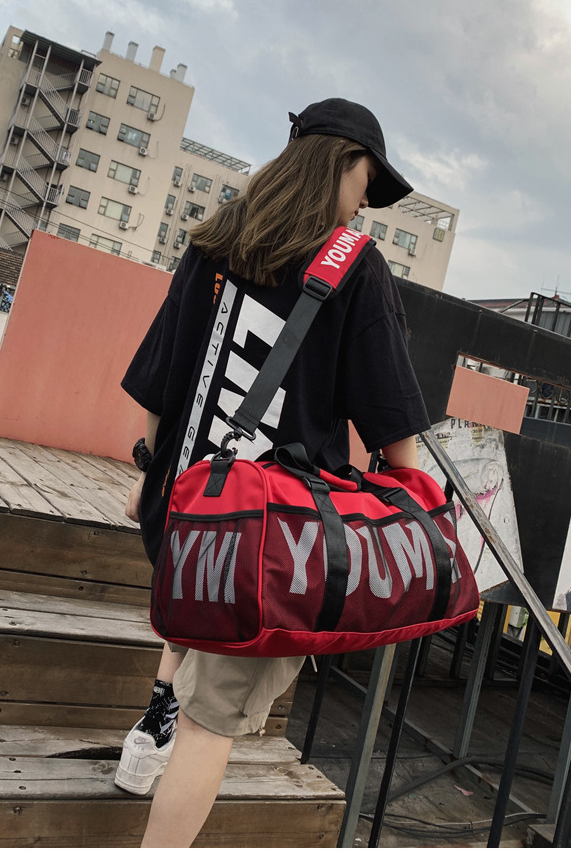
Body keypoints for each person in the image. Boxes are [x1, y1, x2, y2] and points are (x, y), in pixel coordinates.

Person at [117, 98, 432, 847]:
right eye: (366, 182)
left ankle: (153, 720)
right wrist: (414, 498)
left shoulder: (218, 237)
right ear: (342, 165)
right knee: (211, 723)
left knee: (195, 605)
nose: (365, 203)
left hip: (185, 497)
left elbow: (160, 375)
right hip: (273, 536)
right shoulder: (354, 265)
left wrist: (146, 473)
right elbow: (391, 417)